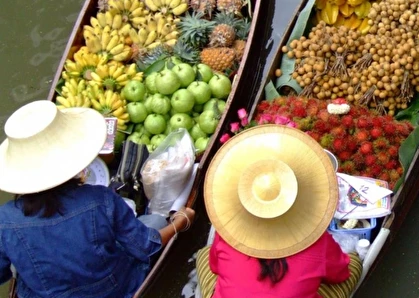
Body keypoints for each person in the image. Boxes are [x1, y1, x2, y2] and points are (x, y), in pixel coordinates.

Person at [0, 100, 196, 298]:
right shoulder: (100, 200)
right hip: (114, 290)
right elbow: (145, 247)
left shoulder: (4, 219)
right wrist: (180, 222)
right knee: (155, 221)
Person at [196, 124, 362, 298]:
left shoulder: (227, 235)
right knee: (354, 264)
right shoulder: (317, 243)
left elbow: (214, 267)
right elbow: (341, 274)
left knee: (204, 255)